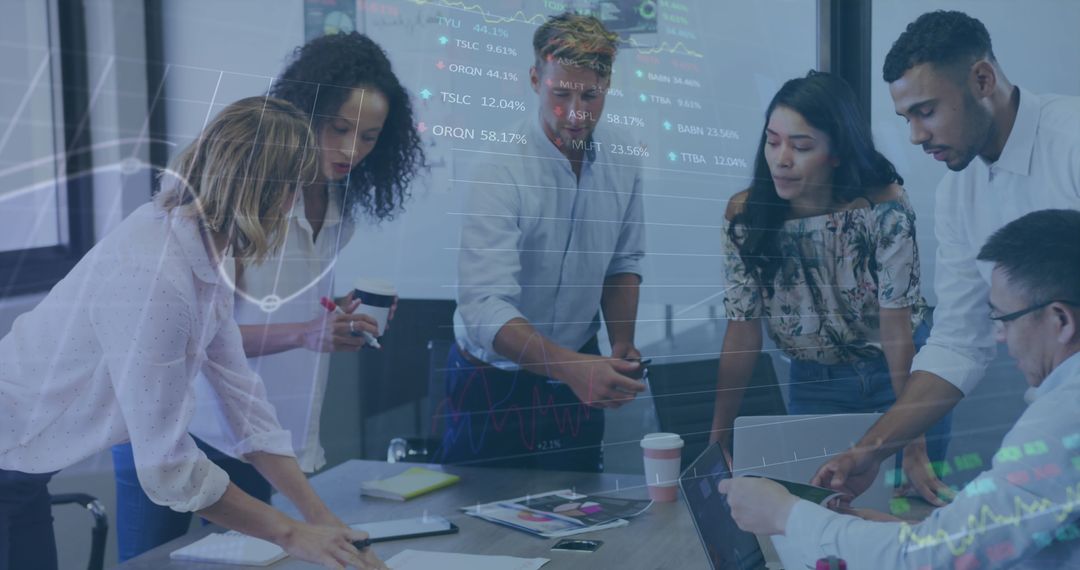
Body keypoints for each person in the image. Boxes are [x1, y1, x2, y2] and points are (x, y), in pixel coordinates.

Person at [0, 97, 385, 569]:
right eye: (293, 190)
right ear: (271, 192)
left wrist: (324, 523)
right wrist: (292, 535)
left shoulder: (201, 252)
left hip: (21, 469)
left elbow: (245, 405)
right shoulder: (156, 276)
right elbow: (167, 469)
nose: (293, 207)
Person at [111, 33, 424, 561]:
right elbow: (207, 339)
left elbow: (278, 306)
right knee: (153, 564)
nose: (352, 149)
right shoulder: (240, 202)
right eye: (340, 128)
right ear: (303, 115)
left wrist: (329, 318)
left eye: (370, 136)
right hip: (186, 425)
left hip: (261, 439)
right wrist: (305, 334)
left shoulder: (341, 207)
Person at [812, 9, 1080, 508]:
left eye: (927, 111)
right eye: (906, 118)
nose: (915, 135)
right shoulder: (958, 194)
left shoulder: (1073, 143)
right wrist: (871, 450)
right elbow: (959, 342)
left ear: (982, 79)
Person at [720, 208, 1080, 569]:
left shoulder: (1064, 418)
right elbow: (990, 542)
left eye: (1003, 319)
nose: (1000, 337)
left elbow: (927, 560)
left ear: (1060, 320)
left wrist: (785, 514)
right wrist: (905, 534)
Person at [708, 71, 952, 477]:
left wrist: (912, 443)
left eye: (801, 146)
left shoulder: (882, 207)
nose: (781, 159)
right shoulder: (746, 217)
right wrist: (717, 438)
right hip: (817, 383)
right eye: (772, 141)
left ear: (837, 153)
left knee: (908, 509)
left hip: (899, 374)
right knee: (820, 505)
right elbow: (742, 329)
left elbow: (895, 328)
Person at [438, 12, 646, 472]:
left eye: (590, 95)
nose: (575, 113)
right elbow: (484, 307)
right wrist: (572, 368)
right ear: (536, 79)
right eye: (561, 94)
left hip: (581, 364)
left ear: (607, 85)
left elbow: (622, 261)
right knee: (478, 527)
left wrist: (622, 345)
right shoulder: (498, 169)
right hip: (494, 378)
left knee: (585, 520)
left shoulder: (624, 156)